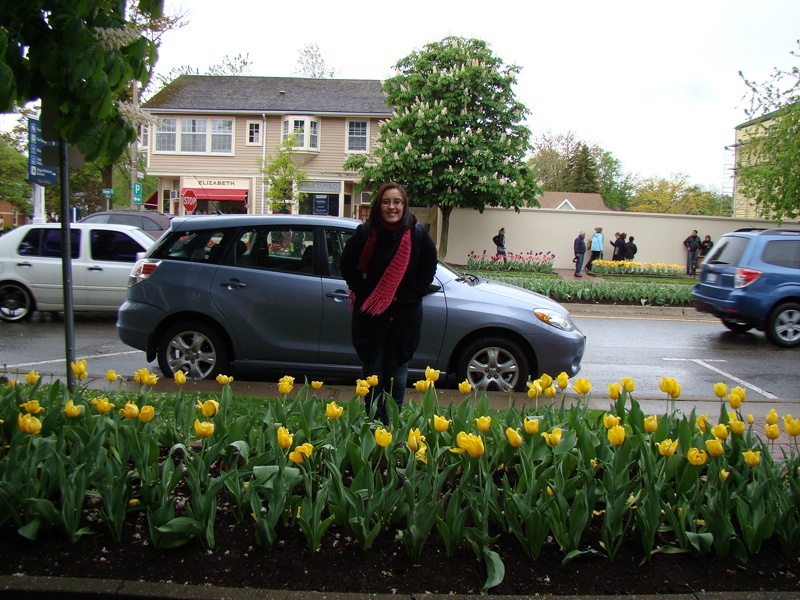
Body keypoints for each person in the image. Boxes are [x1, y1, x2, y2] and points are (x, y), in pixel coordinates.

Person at [339, 182, 438, 424]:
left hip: (405, 316)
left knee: (397, 371)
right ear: (378, 205)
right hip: (371, 317)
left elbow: (429, 265)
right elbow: (346, 266)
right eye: (386, 202)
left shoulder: (417, 234)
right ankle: (373, 425)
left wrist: (416, 292)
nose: (391, 207)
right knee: (373, 370)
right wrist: (365, 293)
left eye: (397, 202)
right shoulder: (365, 233)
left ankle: (392, 425)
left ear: (404, 206)